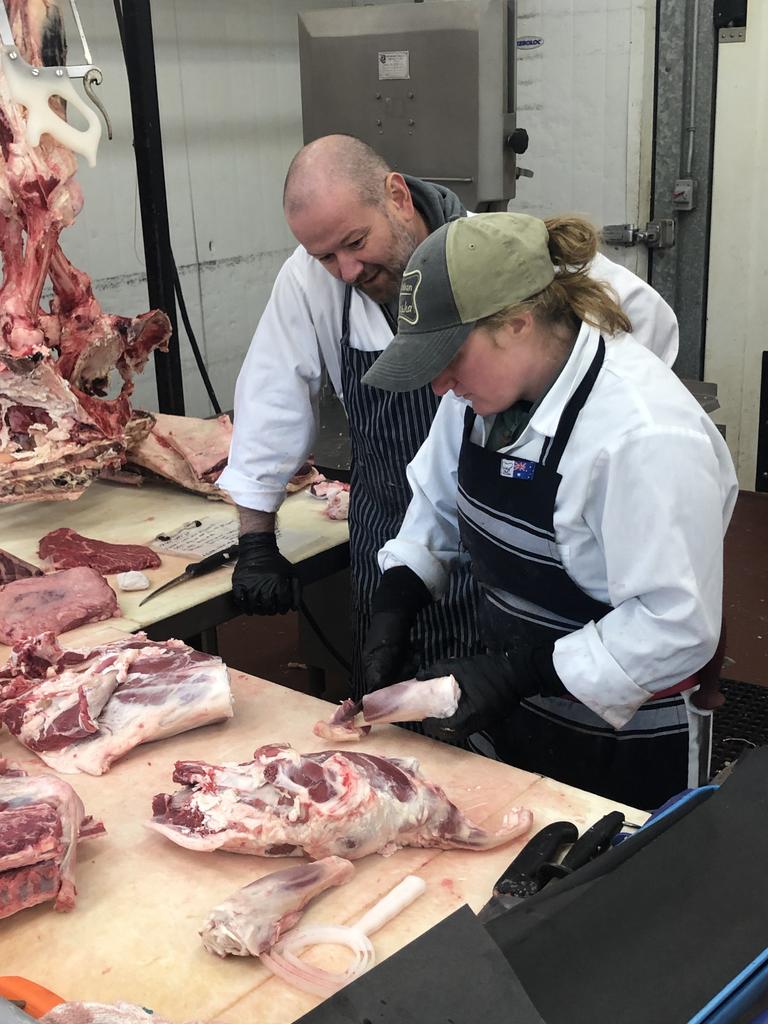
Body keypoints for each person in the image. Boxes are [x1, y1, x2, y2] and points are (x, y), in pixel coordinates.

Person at [218, 133, 680, 700]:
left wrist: (563, 420)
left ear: (397, 195)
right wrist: (256, 539)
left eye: (356, 241)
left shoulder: (502, 260)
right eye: (326, 257)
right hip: (396, 543)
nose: (345, 269)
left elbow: (643, 322)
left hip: (518, 549)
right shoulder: (315, 277)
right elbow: (272, 394)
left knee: (514, 719)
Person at [361, 212, 737, 810]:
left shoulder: (643, 433)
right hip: (523, 716)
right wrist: (395, 602)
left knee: (617, 893)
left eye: (449, 359)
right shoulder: (478, 395)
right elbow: (433, 508)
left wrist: (518, 673)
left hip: (629, 738)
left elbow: (676, 623)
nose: (438, 386)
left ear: (517, 322)